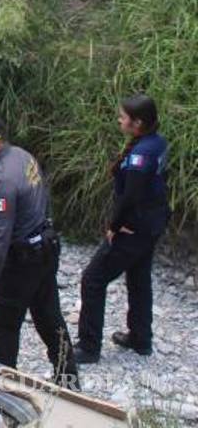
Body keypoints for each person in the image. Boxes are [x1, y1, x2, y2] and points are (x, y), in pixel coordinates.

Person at [0, 115, 79, 389]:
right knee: (49, 317)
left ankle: (4, 389)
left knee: (4, 326)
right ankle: (69, 380)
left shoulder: (2, 181)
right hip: (46, 248)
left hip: (22, 260)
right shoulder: (22, 155)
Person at [75, 94, 170, 364]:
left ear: (137, 123)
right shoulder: (157, 142)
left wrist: (115, 227)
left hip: (134, 227)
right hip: (152, 223)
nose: (119, 119)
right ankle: (141, 338)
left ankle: (88, 347)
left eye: (123, 116)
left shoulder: (141, 155)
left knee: (93, 279)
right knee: (139, 278)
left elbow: (131, 197)